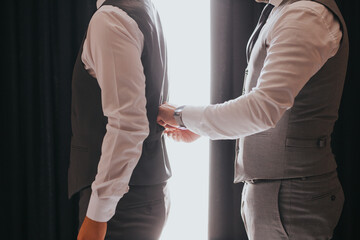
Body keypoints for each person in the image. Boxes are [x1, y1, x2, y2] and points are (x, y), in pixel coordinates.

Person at [157, 0, 349, 239]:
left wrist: (181, 116)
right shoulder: (285, 12)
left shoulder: (305, 16)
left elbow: (262, 110)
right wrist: (198, 127)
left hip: (290, 198)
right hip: (278, 194)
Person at [68, 0, 171, 239]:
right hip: (143, 194)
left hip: (121, 206)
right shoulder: (146, 8)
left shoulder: (111, 18)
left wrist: (97, 215)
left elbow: (128, 125)